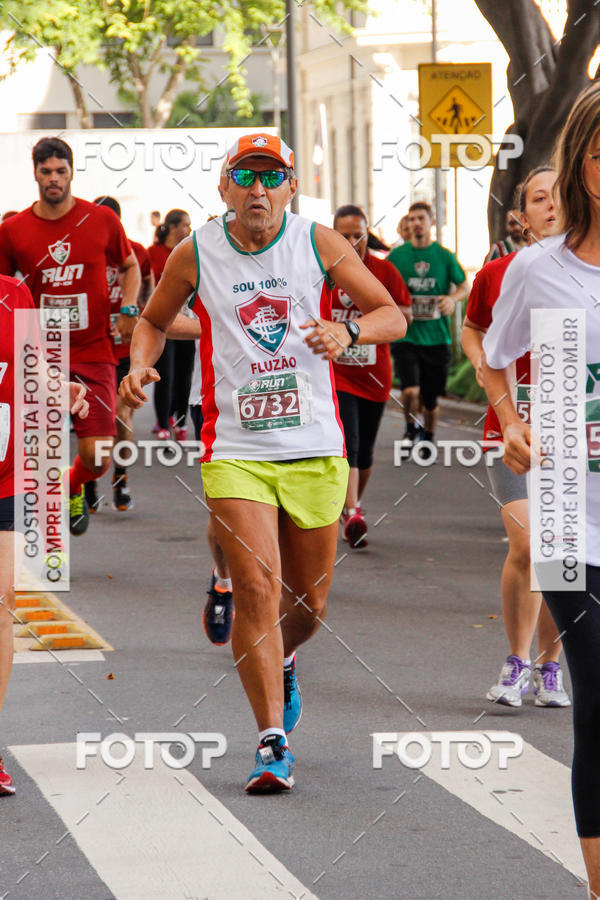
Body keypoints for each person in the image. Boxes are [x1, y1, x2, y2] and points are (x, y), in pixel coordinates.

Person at [120, 132, 406, 793]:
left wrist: (350, 331)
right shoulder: (197, 252)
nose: (257, 189)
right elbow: (154, 320)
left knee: (304, 608)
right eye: (243, 176)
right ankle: (271, 741)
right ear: (223, 188)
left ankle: (284, 658)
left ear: (290, 186)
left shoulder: (319, 244)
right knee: (254, 587)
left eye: (270, 176)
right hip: (236, 450)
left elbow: (391, 312)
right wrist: (140, 365)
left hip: (313, 447)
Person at [483, 82, 600, 894]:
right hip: (569, 515)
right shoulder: (537, 269)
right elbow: (493, 357)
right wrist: (512, 419)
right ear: (581, 165)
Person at [462, 167, 569, 708]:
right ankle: (516, 659)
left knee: (561, 551)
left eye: (558, 195)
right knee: (527, 544)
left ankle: (550, 666)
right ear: (521, 217)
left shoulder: (589, 274)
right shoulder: (501, 272)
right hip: (511, 429)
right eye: (538, 198)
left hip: (573, 434)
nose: (550, 205)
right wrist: (484, 365)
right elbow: (472, 326)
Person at [0, 137, 140, 536]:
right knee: (39, 456)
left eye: (61, 171)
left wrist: (129, 309)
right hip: (39, 357)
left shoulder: (101, 220)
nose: (54, 179)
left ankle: (73, 484)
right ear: (35, 175)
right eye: (46, 172)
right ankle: (42, 543)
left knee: (98, 455)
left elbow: (129, 267)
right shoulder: (12, 231)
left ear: (72, 172)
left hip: (94, 350)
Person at [0, 273, 88, 794]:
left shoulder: (15, 293)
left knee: (4, 598)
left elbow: (36, 368)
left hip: (5, 474)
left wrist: (64, 389)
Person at [331, 204, 412, 548]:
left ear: (367, 234)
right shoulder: (323, 271)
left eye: (357, 234)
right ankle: (354, 509)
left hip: (374, 376)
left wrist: (365, 324)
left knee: (364, 453)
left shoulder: (384, 271)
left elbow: (403, 315)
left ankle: (352, 508)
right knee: (348, 443)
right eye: (344, 235)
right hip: (336, 374)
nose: (352, 241)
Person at [83, 196, 155, 514]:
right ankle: (89, 481)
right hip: (93, 350)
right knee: (94, 422)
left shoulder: (136, 252)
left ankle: (120, 479)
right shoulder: (85, 251)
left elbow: (150, 283)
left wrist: (142, 317)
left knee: (122, 416)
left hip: (126, 349)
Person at [387, 201, 469, 450]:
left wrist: (451, 299)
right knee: (410, 391)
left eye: (421, 218)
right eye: (411, 219)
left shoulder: (444, 257)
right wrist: (396, 308)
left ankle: (429, 436)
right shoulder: (397, 257)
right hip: (407, 336)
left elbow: (465, 285)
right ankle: (410, 430)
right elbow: (381, 286)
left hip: (437, 337)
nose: (415, 224)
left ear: (431, 222)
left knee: (430, 399)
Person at [147, 209, 193, 440]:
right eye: (185, 225)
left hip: (188, 320)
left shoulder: (188, 253)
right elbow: (146, 286)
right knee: (165, 374)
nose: (189, 229)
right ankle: (164, 422)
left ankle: (181, 421)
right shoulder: (153, 253)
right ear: (173, 227)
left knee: (185, 374)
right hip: (164, 322)